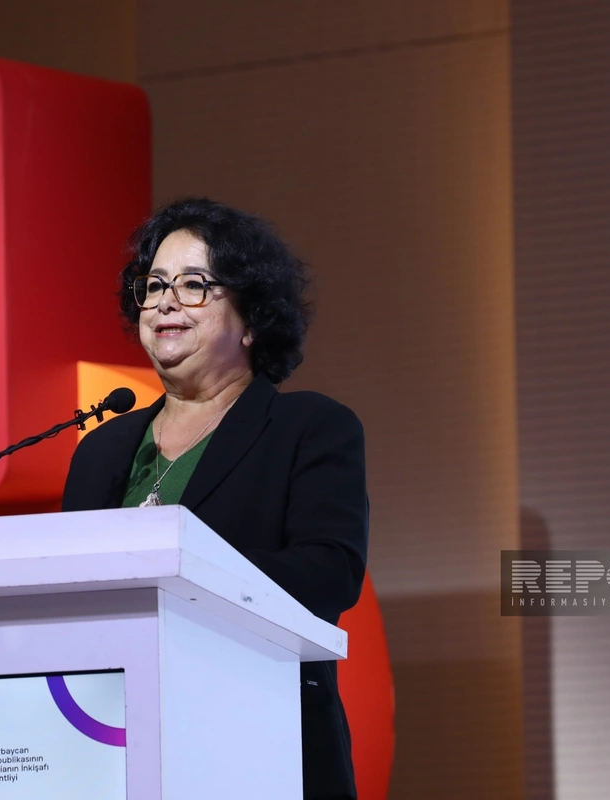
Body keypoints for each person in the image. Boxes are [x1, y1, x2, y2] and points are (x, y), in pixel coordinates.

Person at [61, 197, 369, 800]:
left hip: (260, 735)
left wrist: (178, 571)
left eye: (194, 284)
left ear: (251, 319)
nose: (165, 301)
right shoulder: (101, 449)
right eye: (154, 285)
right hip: (110, 742)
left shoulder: (309, 428)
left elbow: (330, 573)